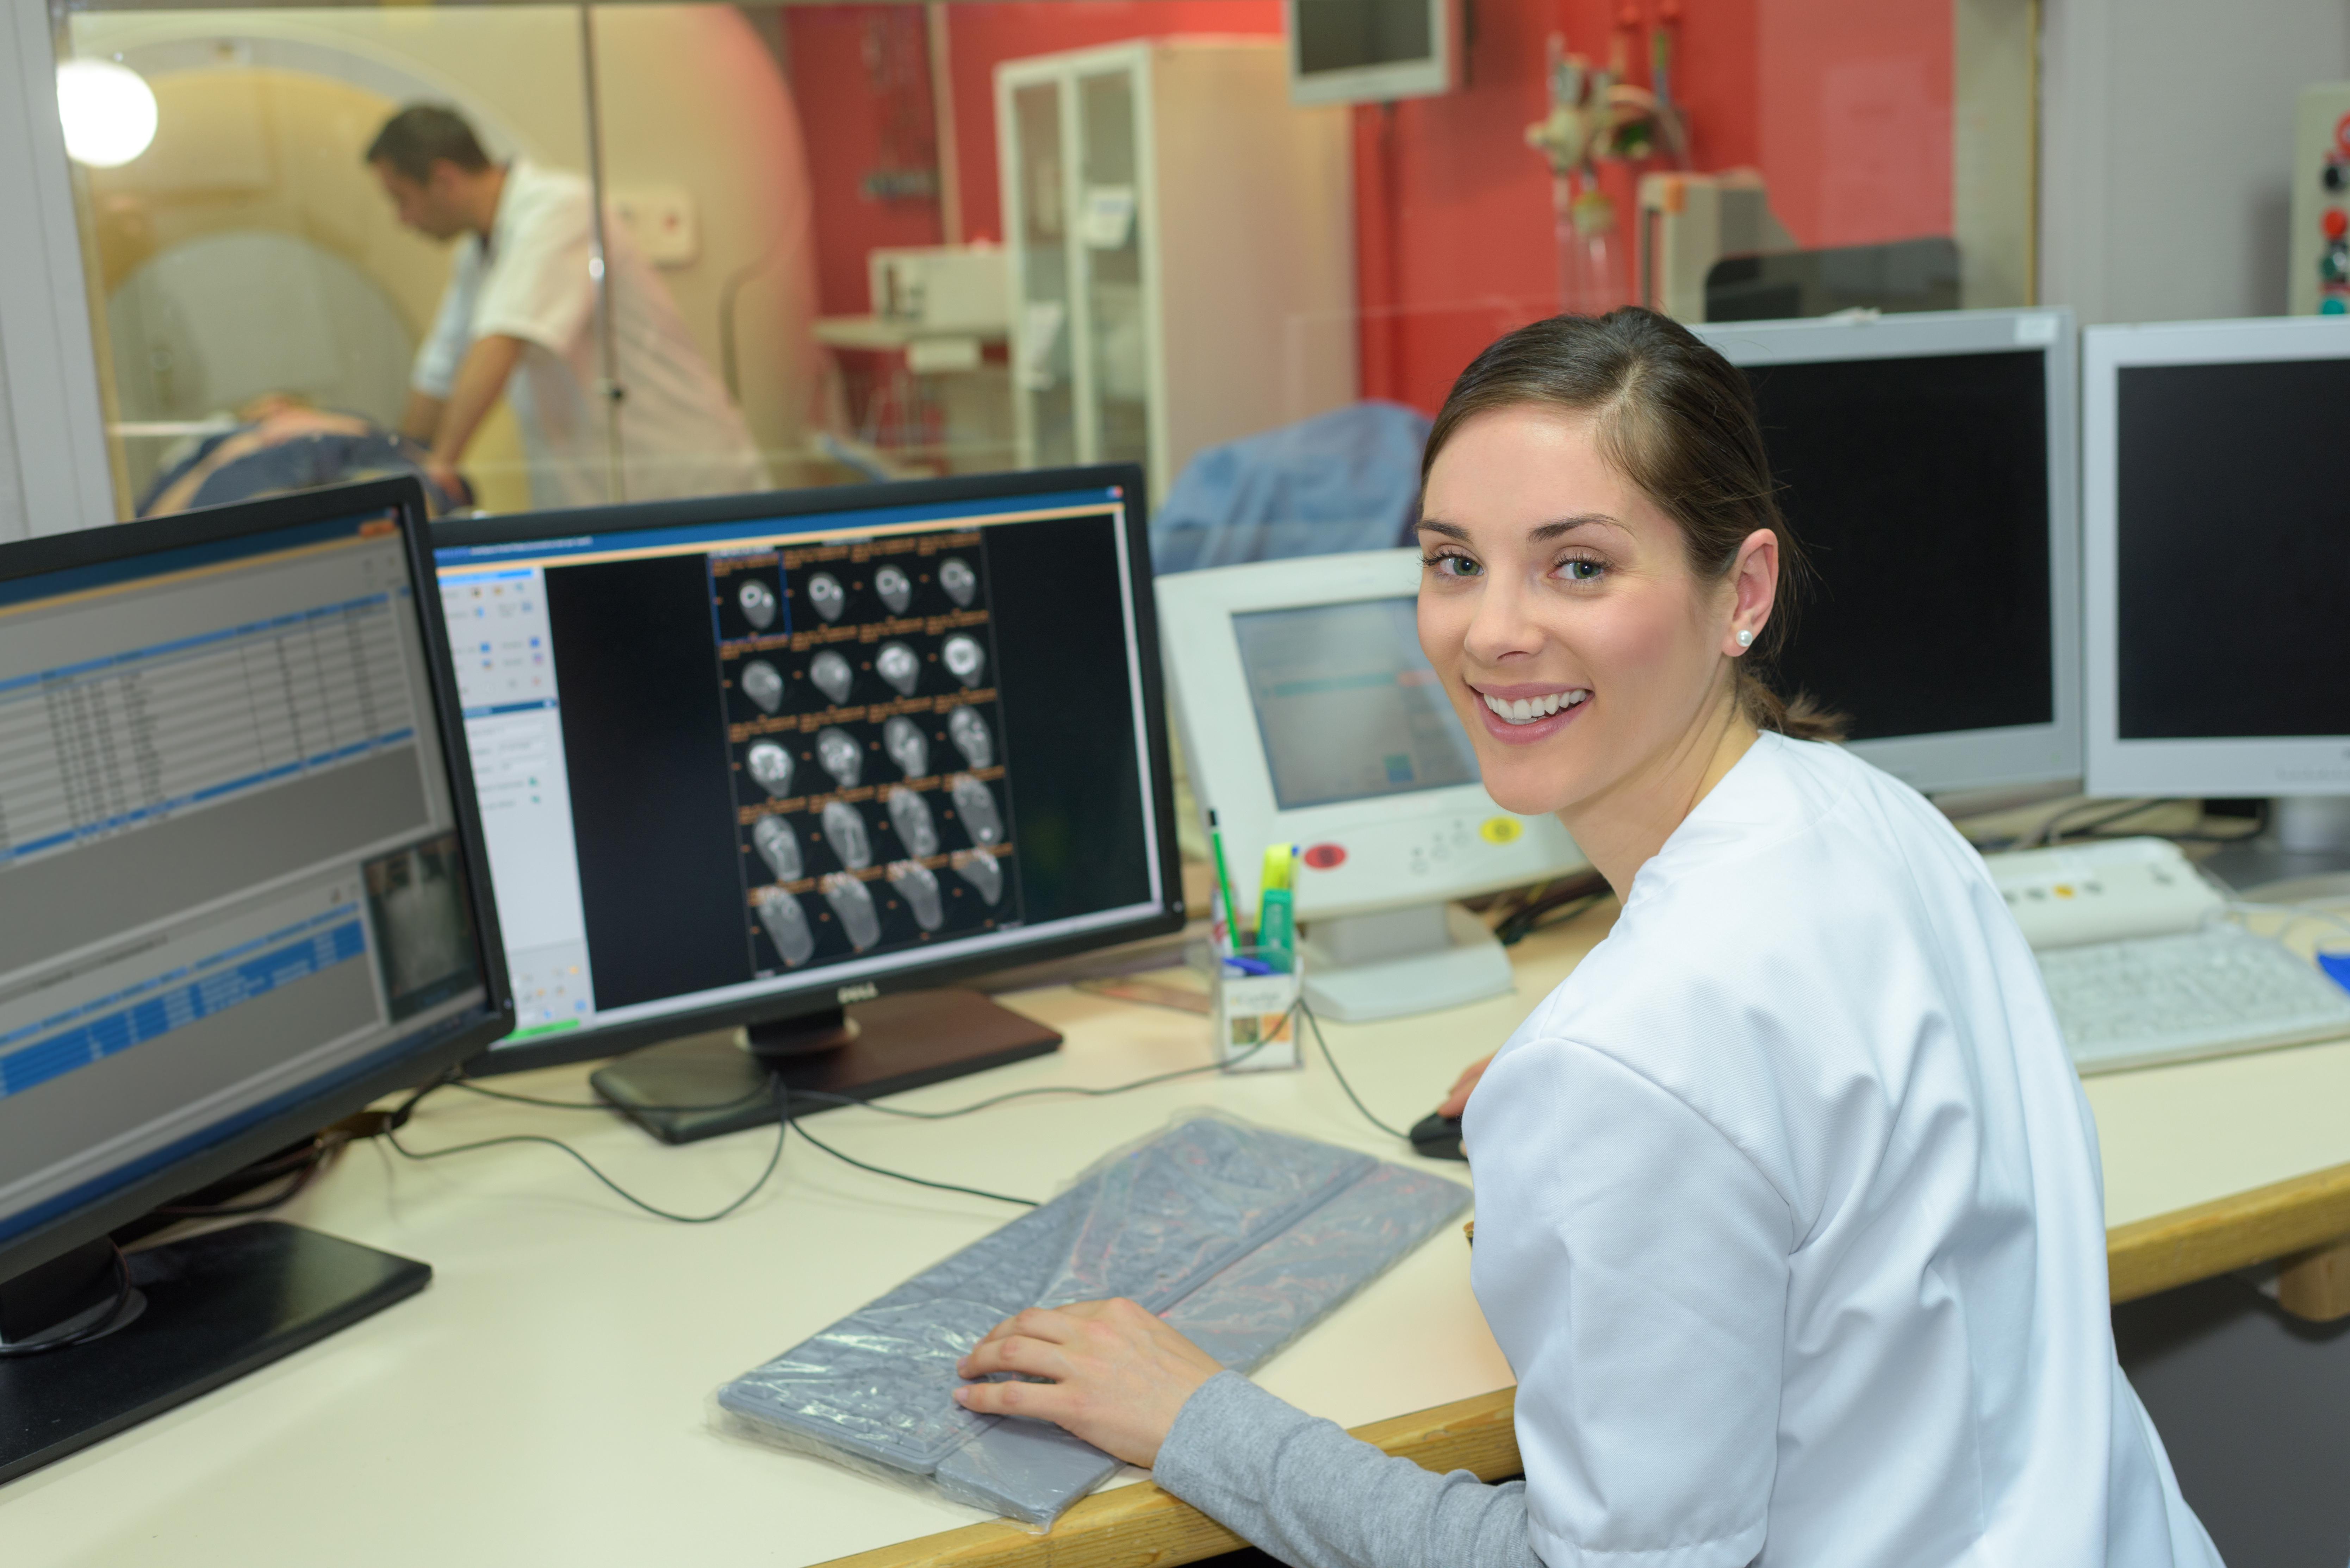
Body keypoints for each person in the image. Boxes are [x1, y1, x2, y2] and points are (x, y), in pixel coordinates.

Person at [946, 310, 2222, 1567]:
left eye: (1579, 565)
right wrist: (1616, 1108)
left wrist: (1197, 1417)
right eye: (1452, 560)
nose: (1491, 628)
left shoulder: (1636, 1051)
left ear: (1744, 592)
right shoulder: (1874, 815)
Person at [366, 104, 767, 509]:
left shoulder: (561, 208)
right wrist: (405, 462)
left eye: (402, 199)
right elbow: (440, 368)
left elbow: (501, 341)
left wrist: (441, 467)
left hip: (682, 476)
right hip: (597, 486)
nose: (402, 219)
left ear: (444, 179)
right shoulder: (475, 254)